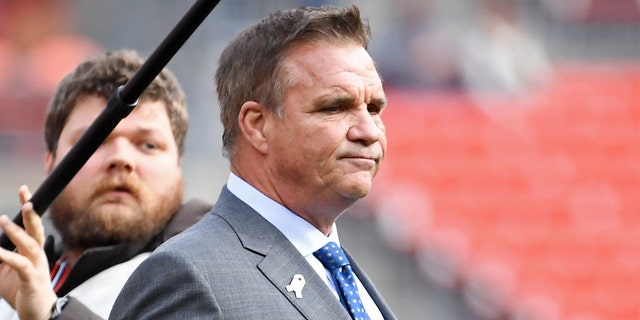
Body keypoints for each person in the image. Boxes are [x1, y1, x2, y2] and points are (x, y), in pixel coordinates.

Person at [110, 5, 397, 320]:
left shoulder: (343, 273)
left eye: (373, 108)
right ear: (257, 125)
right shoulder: (188, 276)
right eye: (335, 107)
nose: (368, 131)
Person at [0, 50, 212, 319]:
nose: (121, 159)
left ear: (179, 164)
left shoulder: (211, 274)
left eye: (148, 145)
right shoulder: (12, 286)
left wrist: (50, 314)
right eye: (93, 142)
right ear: (51, 163)